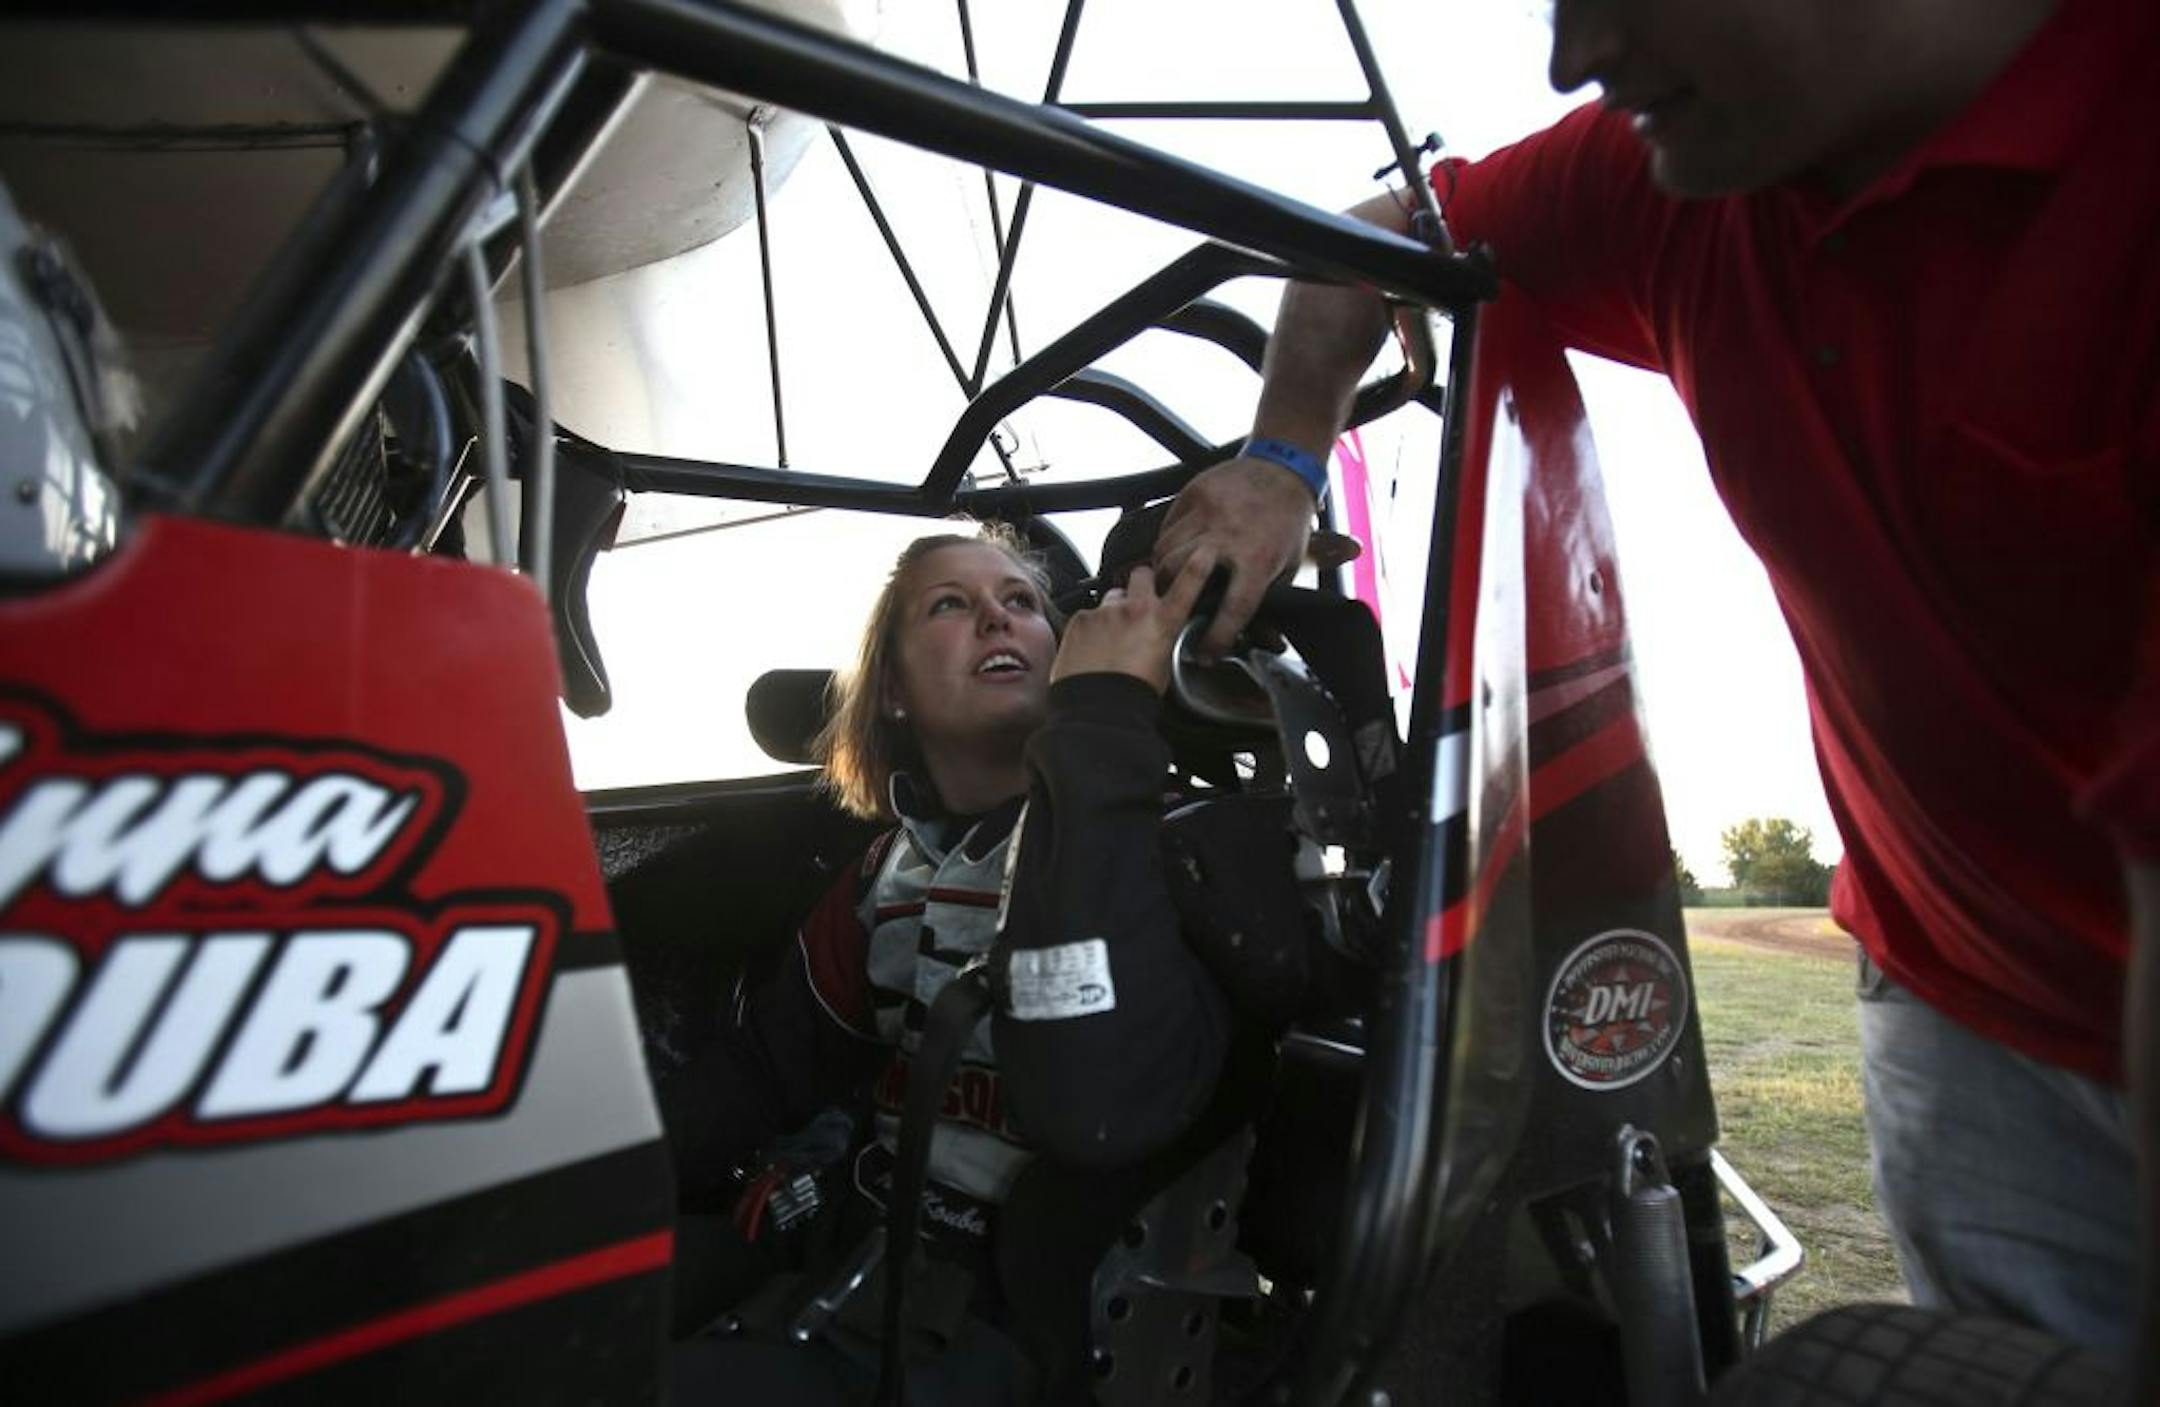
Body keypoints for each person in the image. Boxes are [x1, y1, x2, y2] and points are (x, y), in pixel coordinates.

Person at [1152, 0, 2158, 1381]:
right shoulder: (1680, 181)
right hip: (1955, 1001)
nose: (1571, 56)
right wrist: (1282, 459)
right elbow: (1362, 248)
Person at [662, 526, 1248, 1403]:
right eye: (951, 604)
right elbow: (764, 1070)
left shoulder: (1153, 842)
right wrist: (594, 1179)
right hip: (858, 1250)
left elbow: (1098, 1099)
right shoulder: (884, 875)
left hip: (1024, 1318)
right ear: (892, 689)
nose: (996, 618)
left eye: (1021, 602)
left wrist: (1106, 718)